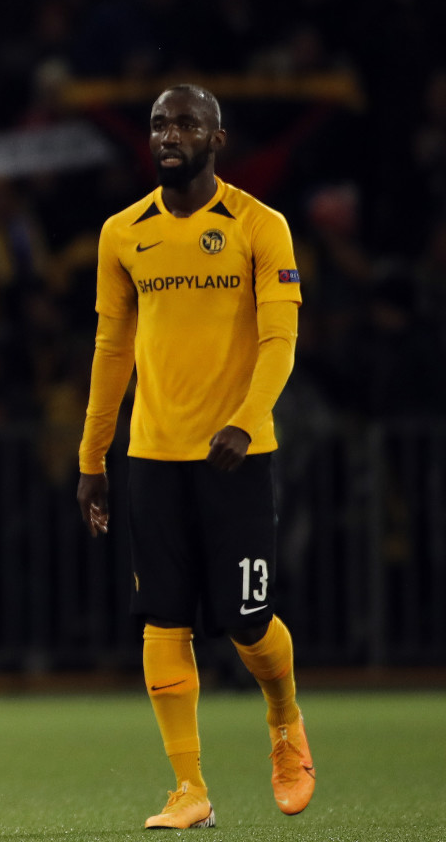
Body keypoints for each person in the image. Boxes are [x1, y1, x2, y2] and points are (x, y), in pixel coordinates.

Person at [77, 85, 314, 829]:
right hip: (153, 456)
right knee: (163, 617)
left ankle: (285, 720)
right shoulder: (122, 233)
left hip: (237, 457)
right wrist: (92, 458)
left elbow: (280, 340)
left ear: (217, 139)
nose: (169, 134)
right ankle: (190, 788)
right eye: (158, 124)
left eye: (186, 123)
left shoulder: (259, 225)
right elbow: (111, 350)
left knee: (248, 622)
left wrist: (246, 421)